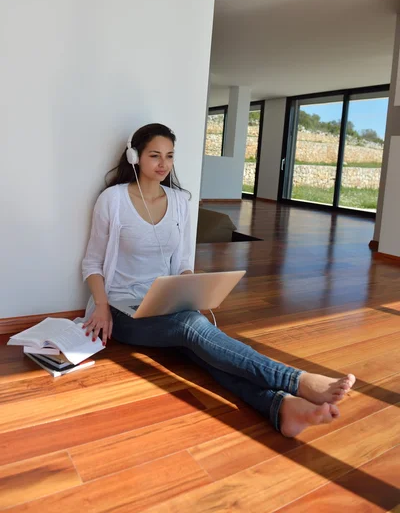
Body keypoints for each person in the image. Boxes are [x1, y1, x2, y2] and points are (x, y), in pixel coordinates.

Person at [81, 123, 355, 438]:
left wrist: (192, 291)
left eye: (169, 156)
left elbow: (183, 262)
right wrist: (101, 307)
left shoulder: (179, 201)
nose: (163, 164)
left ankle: (281, 408)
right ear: (135, 157)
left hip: (166, 303)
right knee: (191, 328)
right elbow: (91, 262)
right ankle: (298, 381)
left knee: (206, 351)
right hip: (122, 309)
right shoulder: (113, 200)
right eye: (154, 155)